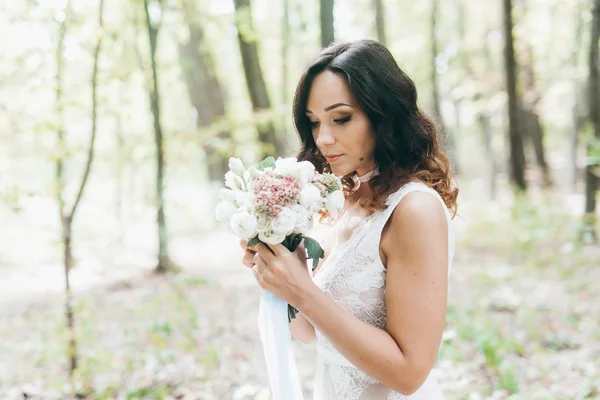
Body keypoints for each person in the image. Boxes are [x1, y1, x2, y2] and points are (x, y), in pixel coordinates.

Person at [240, 40, 458, 400]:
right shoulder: (339, 202)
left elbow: (409, 374)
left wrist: (304, 292)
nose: (323, 139)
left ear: (384, 113)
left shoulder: (413, 211)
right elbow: (314, 334)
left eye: (341, 118)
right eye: (314, 123)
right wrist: (277, 275)